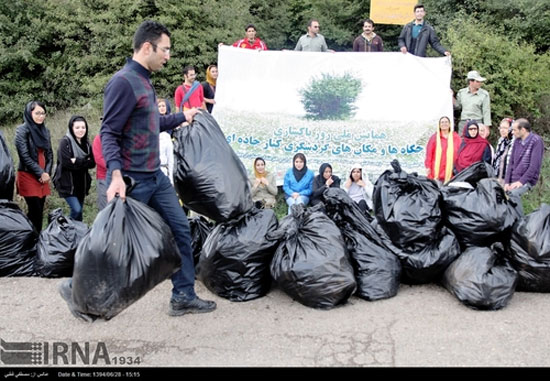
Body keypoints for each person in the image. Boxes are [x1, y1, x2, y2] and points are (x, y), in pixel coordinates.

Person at [60, 20, 216, 318]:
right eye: (165, 49)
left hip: (154, 176)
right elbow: (109, 133)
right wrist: (116, 175)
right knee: (112, 245)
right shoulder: (123, 82)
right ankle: (75, 289)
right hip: (131, 180)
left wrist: (183, 116)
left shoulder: (144, 80)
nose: (168, 56)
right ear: (148, 47)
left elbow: (150, 124)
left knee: (181, 229)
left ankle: (183, 295)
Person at [14, 101, 53, 233]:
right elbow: (24, 156)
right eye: (37, 113)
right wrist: (40, 173)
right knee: (35, 210)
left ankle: (36, 238)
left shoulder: (45, 131)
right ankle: (29, 238)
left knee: (40, 210)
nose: (40, 116)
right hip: (28, 175)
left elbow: (50, 154)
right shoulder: (22, 130)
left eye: (43, 113)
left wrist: (47, 173)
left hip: (43, 177)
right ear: (29, 114)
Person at [52, 116, 96, 221]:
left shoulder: (86, 144)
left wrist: (76, 160)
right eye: (77, 128)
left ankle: (78, 234)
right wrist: (84, 162)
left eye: (83, 127)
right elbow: (66, 163)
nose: (81, 130)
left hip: (81, 184)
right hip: (67, 184)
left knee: (79, 213)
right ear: (71, 128)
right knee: (76, 210)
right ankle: (65, 228)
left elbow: (92, 163)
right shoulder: (65, 142)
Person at [504, 118, 545, 197]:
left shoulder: (536, 141)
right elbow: (511, 163)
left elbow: (534, 166)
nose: (512, 132)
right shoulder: (517, 141)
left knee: (512, 196)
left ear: (523, 130)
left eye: (514, 130)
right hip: (513, 180)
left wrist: (521, 182)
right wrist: (506, 182)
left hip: (527, 182)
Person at [424, 116, 462, 184]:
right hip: (436, 172)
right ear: (439, 125)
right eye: (442, 122)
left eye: (446, 122)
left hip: (451, 173)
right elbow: (429, 153)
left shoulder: (456, 137)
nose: (444, 124)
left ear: (450, 124)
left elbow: (461, 153)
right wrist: (428, 167)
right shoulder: (434, 138)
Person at [158, 98, 174, 185]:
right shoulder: (155, 121)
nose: (161, 108)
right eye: (159, 106)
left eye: (163, 106)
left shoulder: (171, 119)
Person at [493, 118, 514, 185]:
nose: (502, 130)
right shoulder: (501, 141)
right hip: (498, 178)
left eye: (505, 128)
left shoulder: (516, 143)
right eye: (501, 128)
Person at [92, 134, 108, 211]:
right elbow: (99, 159)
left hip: (123, 178)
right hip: (104, 177)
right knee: (105, 208)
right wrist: (116, 167)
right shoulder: (99, 138)